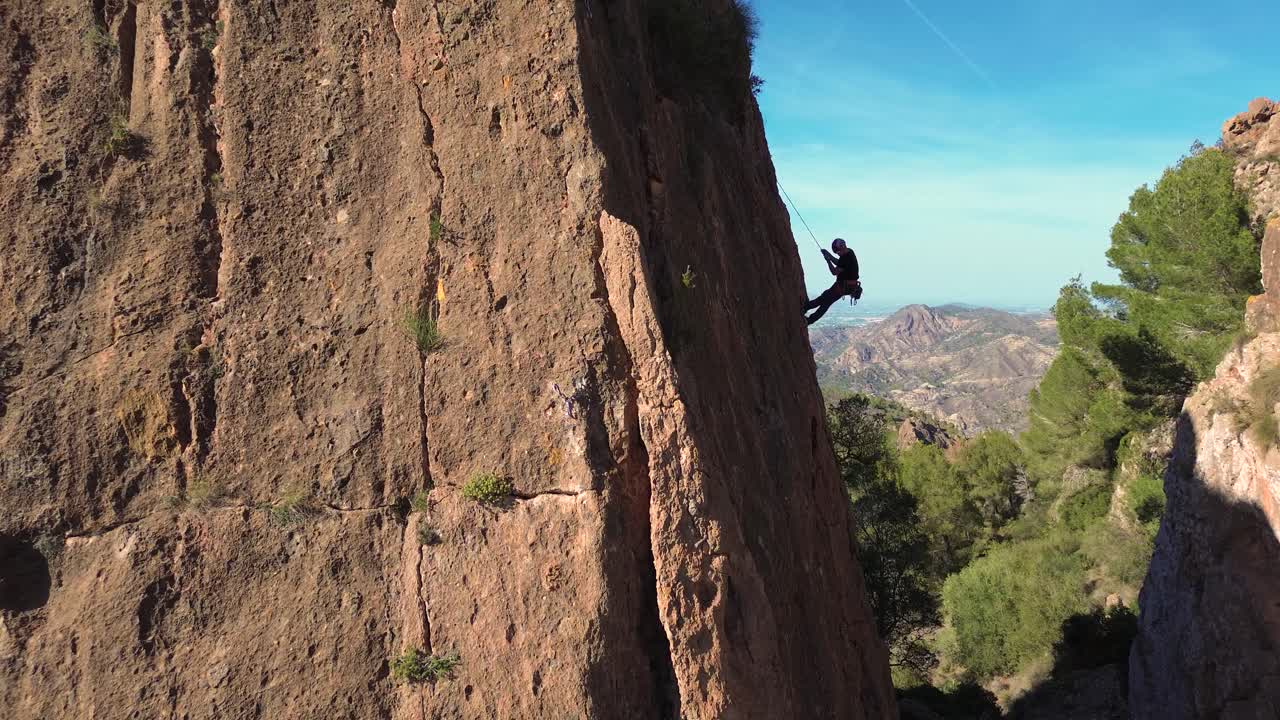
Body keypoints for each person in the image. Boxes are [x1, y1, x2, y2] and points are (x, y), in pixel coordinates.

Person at [804, 238, 860, 325]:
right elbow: (839, 263)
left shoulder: (846, 258)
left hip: (843, 286)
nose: (838, 254)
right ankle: (806, 309)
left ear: (840, 249)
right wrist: (829, 255)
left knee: (825, 301)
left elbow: (834, 272)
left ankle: (808, 316)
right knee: (825, 298)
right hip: (848, 286)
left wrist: (828, 261)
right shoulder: (849, 252)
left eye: (838, 252)